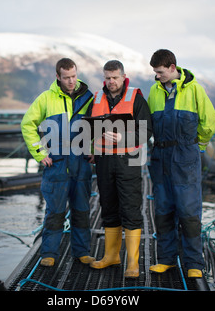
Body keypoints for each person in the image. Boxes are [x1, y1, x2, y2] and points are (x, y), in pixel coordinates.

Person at [147, 49, 215, 277]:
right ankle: (167, 259)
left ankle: (194, 264)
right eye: (155, 73)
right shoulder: (154, 91)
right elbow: (147, 123)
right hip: (160, 158)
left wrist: (197, 147)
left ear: (171, 67)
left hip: (185, 157)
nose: (157, 76)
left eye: (160, 72)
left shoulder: (194, 89)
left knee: (188, 212)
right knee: (163, 211)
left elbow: (210, 121)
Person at [21, 58, 96, 267]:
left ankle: (82, 252)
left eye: (74, 76)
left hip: (81, 164)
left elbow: (98, 125)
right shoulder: (46, 98)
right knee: (54, 212)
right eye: (66, 77)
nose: (71, 81)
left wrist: (94, 149)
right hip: (57, 165)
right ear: (58, 77)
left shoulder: (89, 98)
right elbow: (28, 124)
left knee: (82, 211)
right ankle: (50, 253)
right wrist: (39, 152)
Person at [88, 60, 152, 278]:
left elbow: (146, 131)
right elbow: (87, 128)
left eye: (114, 77)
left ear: (124, 76)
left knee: (131, 208)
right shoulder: (96, 98)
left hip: (129, 160)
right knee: (108, 207)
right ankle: (111, 256)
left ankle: (133, 263)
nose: (111, 81)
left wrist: (123, 137)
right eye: (107, 77)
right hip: (104, 160)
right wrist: (92, 144)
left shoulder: (136, 98)